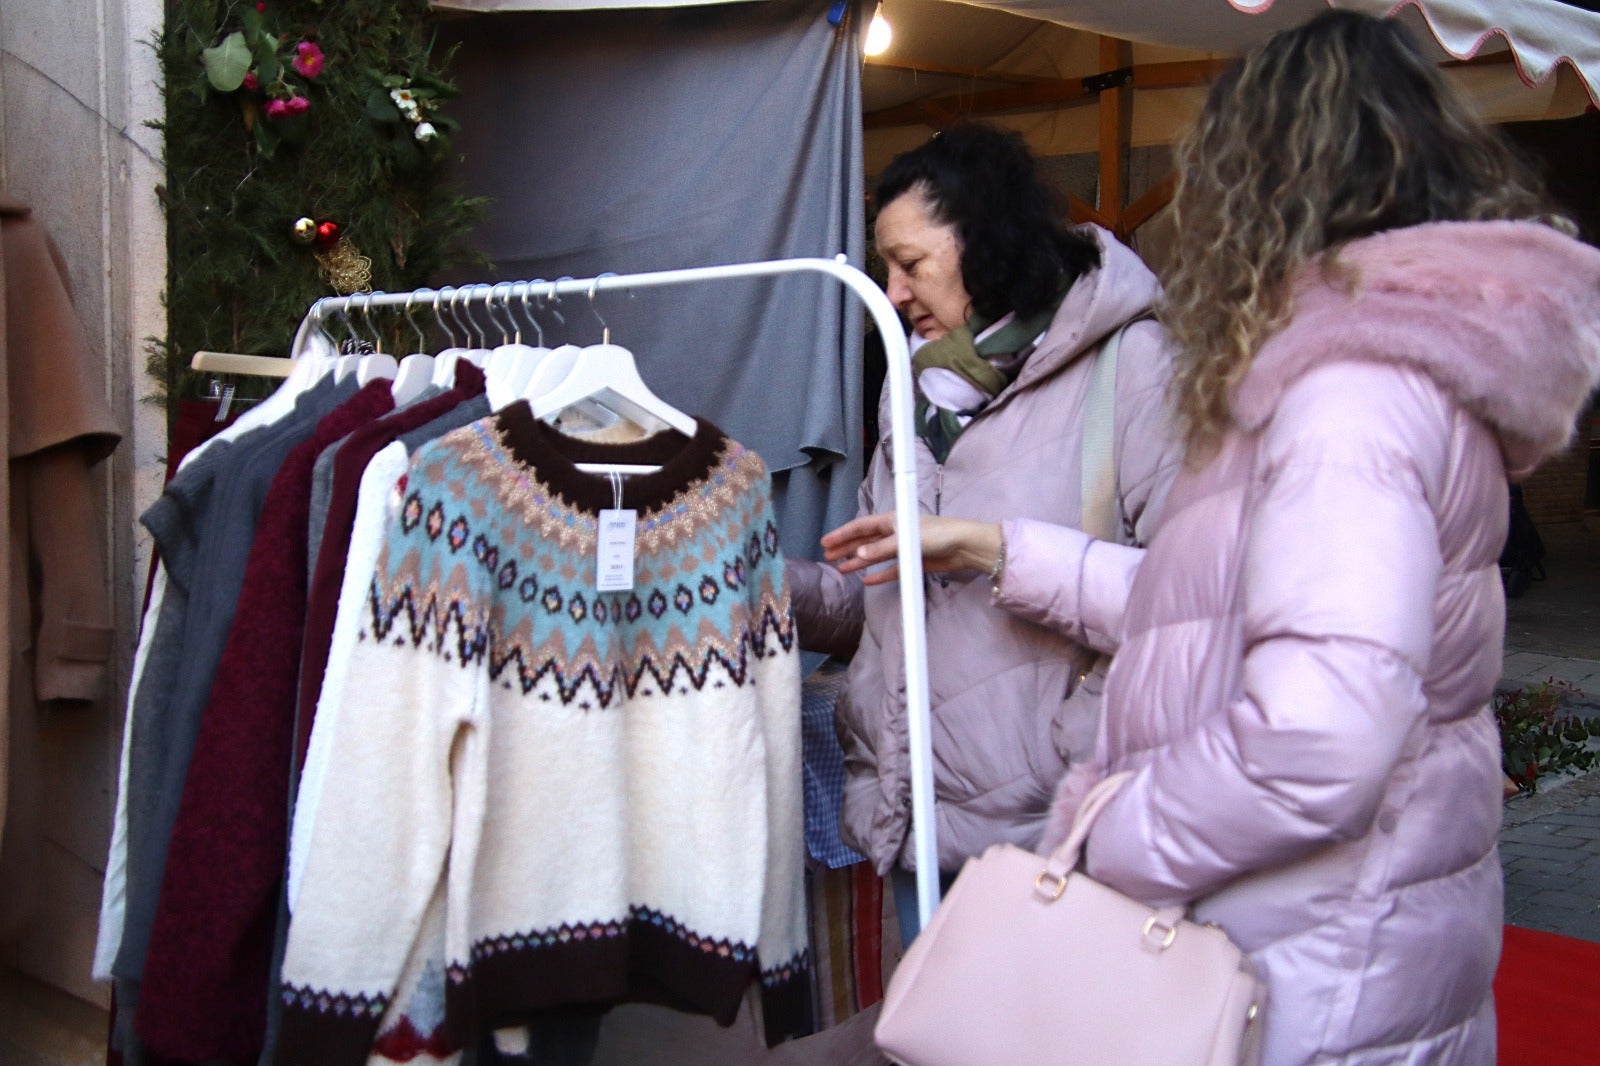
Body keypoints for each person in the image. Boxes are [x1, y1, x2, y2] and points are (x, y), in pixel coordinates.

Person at [825, 11, 1600, 1063]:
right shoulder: (1381, 386)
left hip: (1312, 978)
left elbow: (1317, 738)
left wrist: (1110, 832)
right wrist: (1002, 551)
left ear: (1257, 185)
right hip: (1336, 952)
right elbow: (1218, 609)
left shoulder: (1347, 404)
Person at [787, 123, 1183, 944]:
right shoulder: (919, 392)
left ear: (989, 242)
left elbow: (1192, 611)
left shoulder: (1137, 369)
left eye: (910, 263)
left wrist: (989, 548)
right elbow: (893, 607)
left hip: (1066, 839)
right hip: (918, 828)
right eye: (883, 267)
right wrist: (757, 591)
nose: (891, 293)